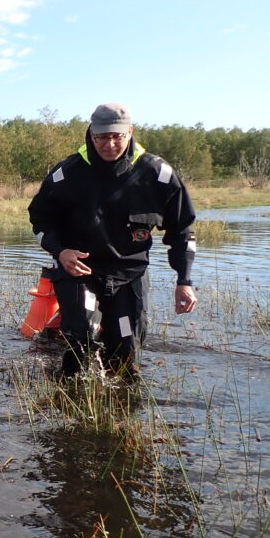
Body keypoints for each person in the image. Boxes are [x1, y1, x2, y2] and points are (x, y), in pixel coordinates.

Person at [28, 102, 197, 378]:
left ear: (130, 132)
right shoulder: (67, 173)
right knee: (80, 339)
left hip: (128, 273)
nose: (109, 144)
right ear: (91, 134)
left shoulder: (158, 174)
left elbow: (182, 231)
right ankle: (67, 400)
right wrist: (60, 252)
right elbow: (39, 220)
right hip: (78, 270)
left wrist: (185, 281)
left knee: (124, 354)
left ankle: (120, 406)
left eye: (117, 136)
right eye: (102, 137)